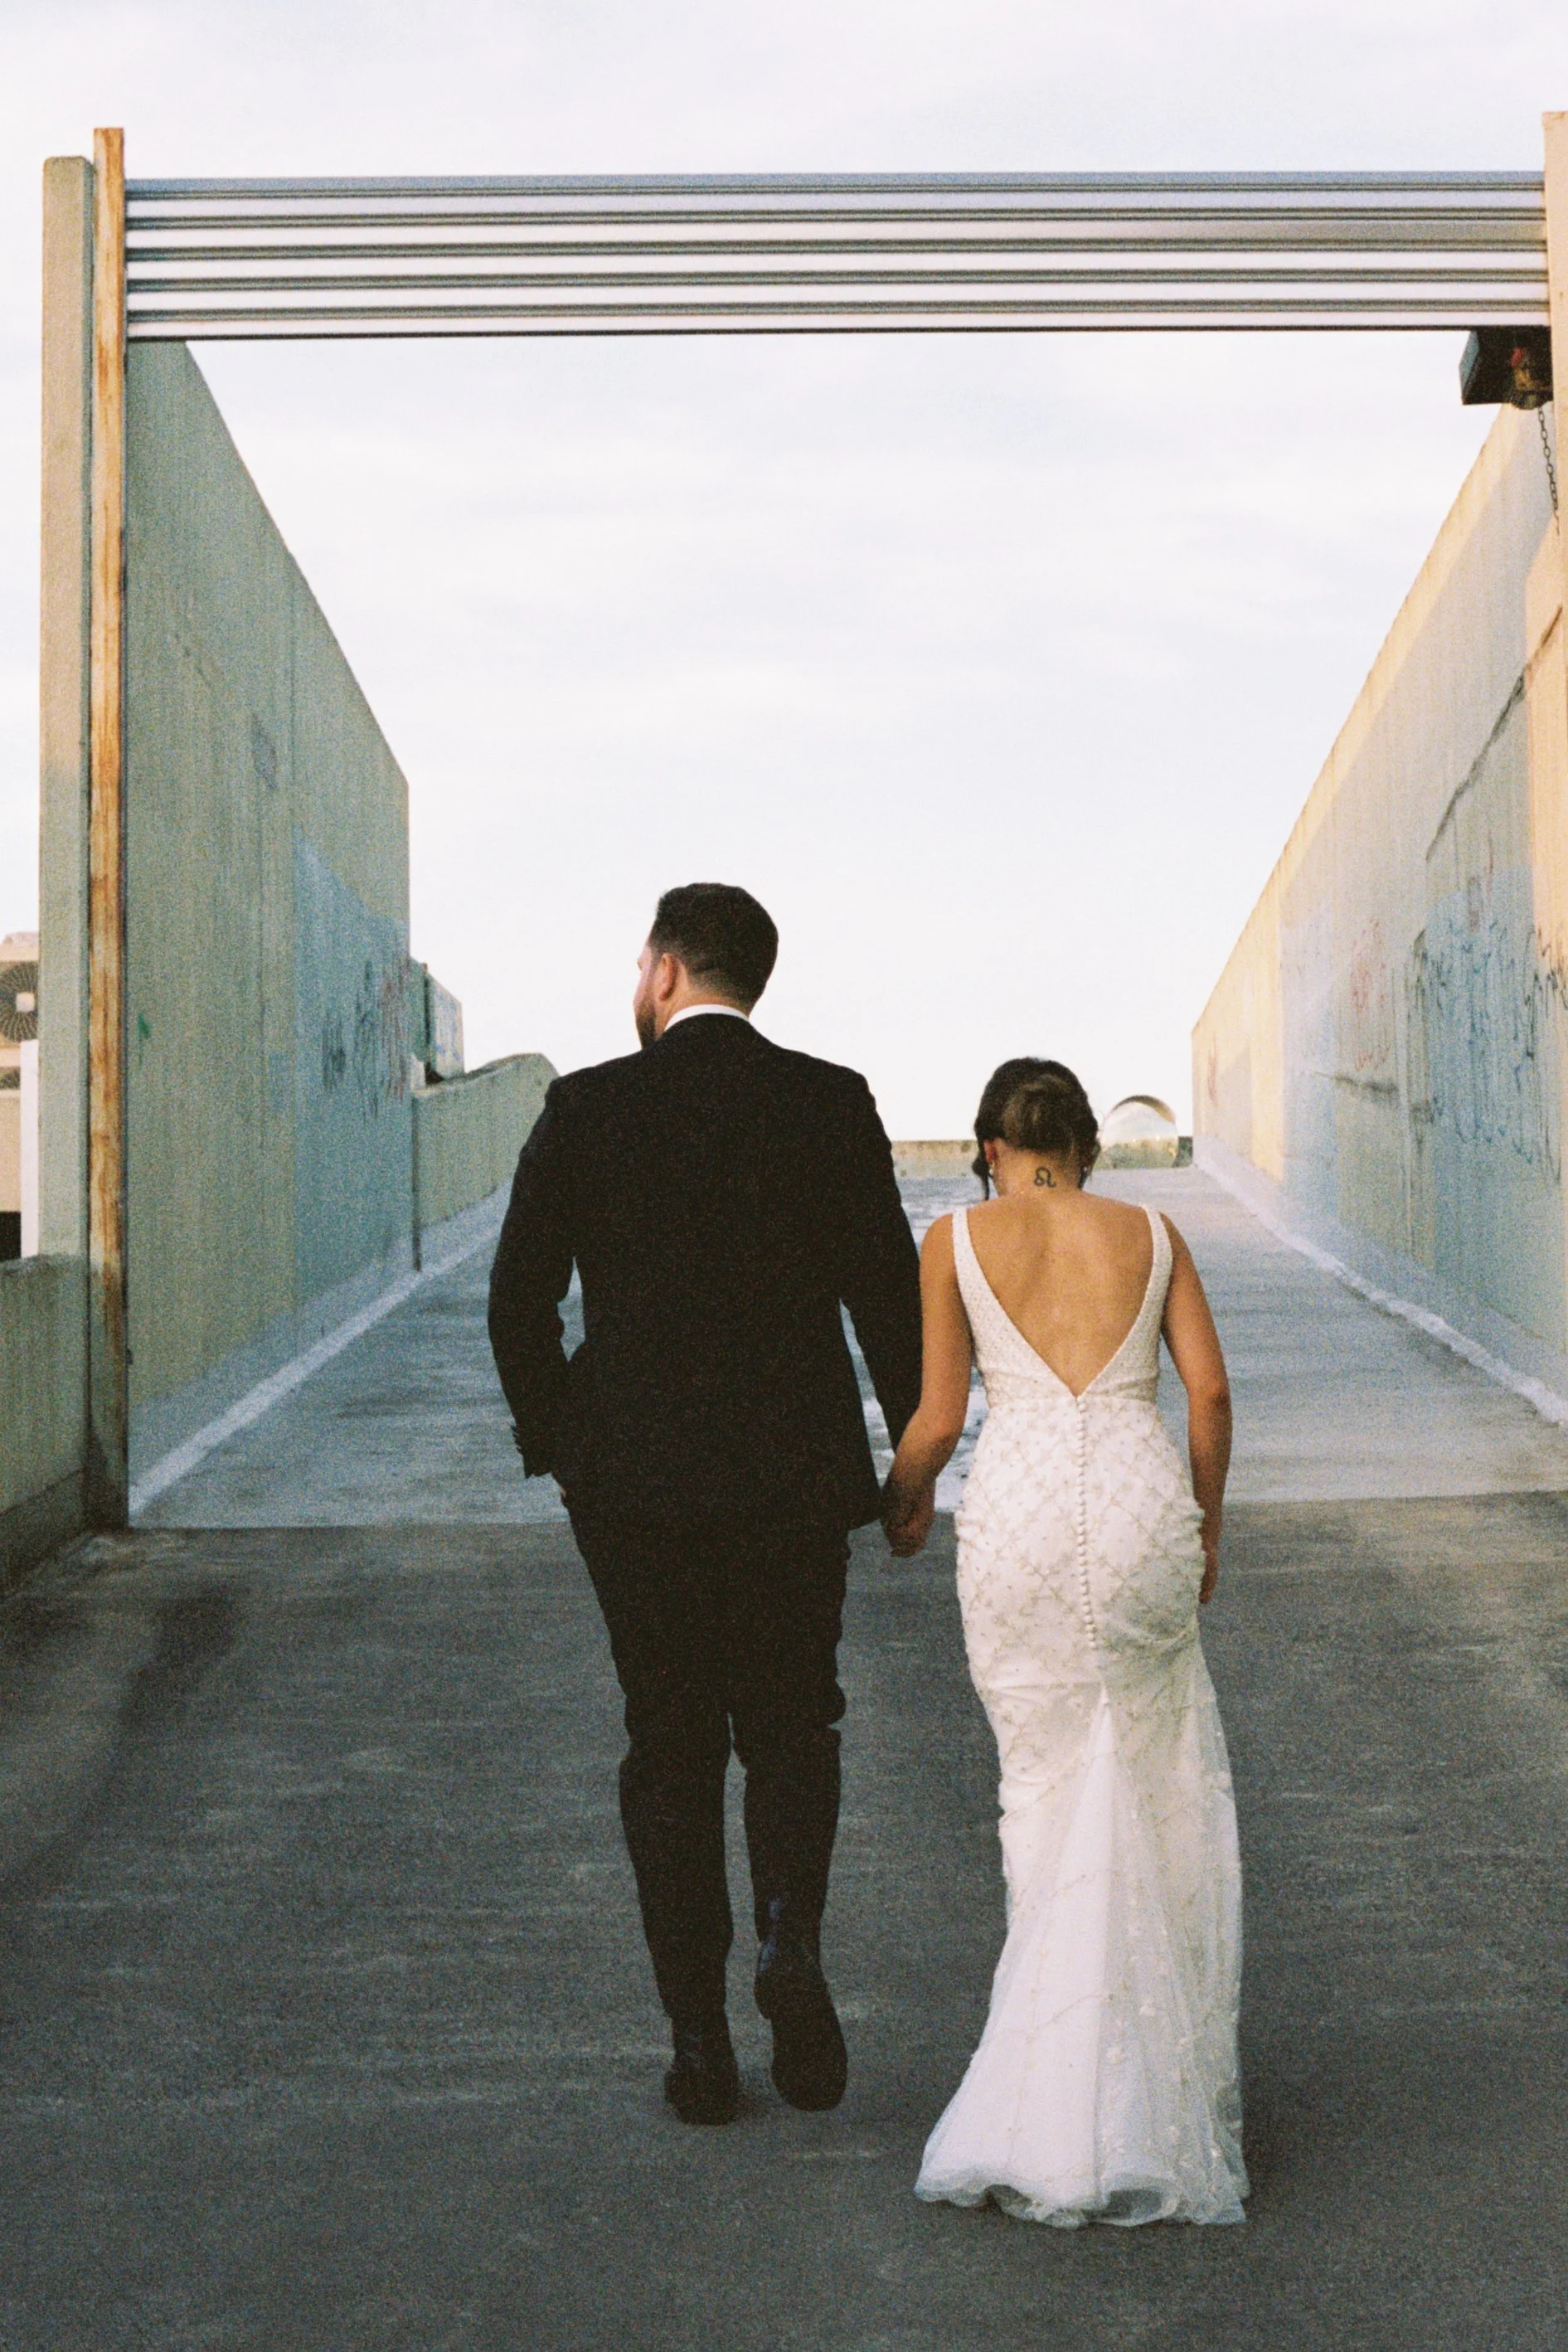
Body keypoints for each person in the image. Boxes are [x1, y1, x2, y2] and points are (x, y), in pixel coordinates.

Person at [487, 883, 922, 2129]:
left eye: (641, 963)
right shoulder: (829, 1101)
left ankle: (698, 2042)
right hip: (792, 1477)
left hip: (636, 1489)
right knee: (795, 1721)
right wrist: (911, 1461)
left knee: (668, 1744)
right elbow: (886, 1294)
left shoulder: (586, 1106)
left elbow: (520, 1303)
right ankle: (790, 1938)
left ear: (667, 970)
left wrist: (562, 1441)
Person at [881, 1057, 1248, 2228]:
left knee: (1039, 1789)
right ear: (1084, 1147)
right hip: (1142, 1502)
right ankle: (1157, 2083)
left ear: (991, 1147)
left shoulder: (955, 1240)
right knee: (1159, 1781)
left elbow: (940, 1418)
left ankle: (1048, 2094)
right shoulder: (1154, 1230)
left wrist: (904, 1495)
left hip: (1024, 1514)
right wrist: (1206, 1521)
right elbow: (1213, 1395)